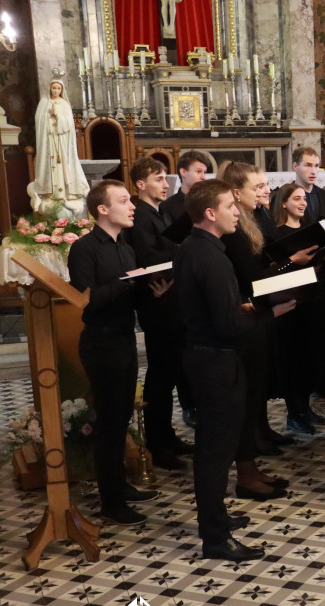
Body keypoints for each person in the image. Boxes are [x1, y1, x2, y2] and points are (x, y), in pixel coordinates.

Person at [174, 179, 296, 561]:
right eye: (230, 205)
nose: (237, 212)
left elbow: (217, 311)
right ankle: (215, 538)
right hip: (217, 361)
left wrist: (242, 309)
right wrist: (269, 312)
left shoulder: (193, 247)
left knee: (216, 449)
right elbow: (228, 325)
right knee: (215, 453)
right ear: (210, 213)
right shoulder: (211, 256)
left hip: (206, 355)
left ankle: (218, 519)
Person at [220, 164, 317, 500]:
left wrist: (287, 266)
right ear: (236, 192)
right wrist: (291, 265)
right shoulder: (234, 229)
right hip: (247, 315)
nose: (263, 191)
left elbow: (260, 268)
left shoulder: (249, 221)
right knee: (246, 397)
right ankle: (245, 472)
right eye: (256, 186)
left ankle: (252, 466)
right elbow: (251, 277)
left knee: (256, 389)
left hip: (257, 312)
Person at [67, 180, 160, 525]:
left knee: (120, 419)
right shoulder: (84, 248)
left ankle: (119, 485)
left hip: (123, 338)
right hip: (101, 341)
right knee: (108, 422)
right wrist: (126, 281)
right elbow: (85, 300)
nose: (132, 206)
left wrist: (153, 289)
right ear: (102, 209)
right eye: (124, 200)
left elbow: (130, 295)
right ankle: (111, 502)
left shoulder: (126, 247)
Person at [128, 157, 194, 471]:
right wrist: (184, 248)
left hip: (172, 296)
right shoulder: (140, 215)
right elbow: (146, 257)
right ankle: (157, 443)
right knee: (160, 375)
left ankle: (167, 435)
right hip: (157, 300)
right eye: (158, 179)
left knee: (170, 373)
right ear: (140, 184)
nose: (165, 184)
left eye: (165, 178)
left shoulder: (163, 210)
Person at [271, 183, 325, 435]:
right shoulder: (275, 234)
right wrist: (294, 262)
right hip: (289, 304)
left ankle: (305, 409)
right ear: (284, 203)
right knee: (292, 360)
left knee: (309, 358)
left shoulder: (310, 230)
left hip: (313, 301)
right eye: (296, 198)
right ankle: (294, 413)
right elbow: (273, 271)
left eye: (304, 198)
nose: (302, 202)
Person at [29, 78, 89, 214]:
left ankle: (63, 195)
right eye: (54, 88)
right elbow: (39, 122)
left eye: (58, 88)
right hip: (49, 141)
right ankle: (49, 194)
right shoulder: (44, 103)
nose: (56, 90)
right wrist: (49, 117)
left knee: (62, 167)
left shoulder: (64, 104)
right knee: (50, 166)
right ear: (50, 88)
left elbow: (68, 124)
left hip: (62, 141)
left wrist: (57, 116)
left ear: (62, 90)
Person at [271, 146, 325, 231]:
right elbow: (276, 229)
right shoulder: (281, 196)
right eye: (308, 165)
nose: (313, 171)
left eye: (316, 166)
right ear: (295, 166)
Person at [161, 150, 211, 229]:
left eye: (204, 172)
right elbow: (171, 239)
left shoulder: (211, 201)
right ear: (183, 172)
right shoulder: (167, 206)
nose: (203, 177)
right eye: (199, 171)